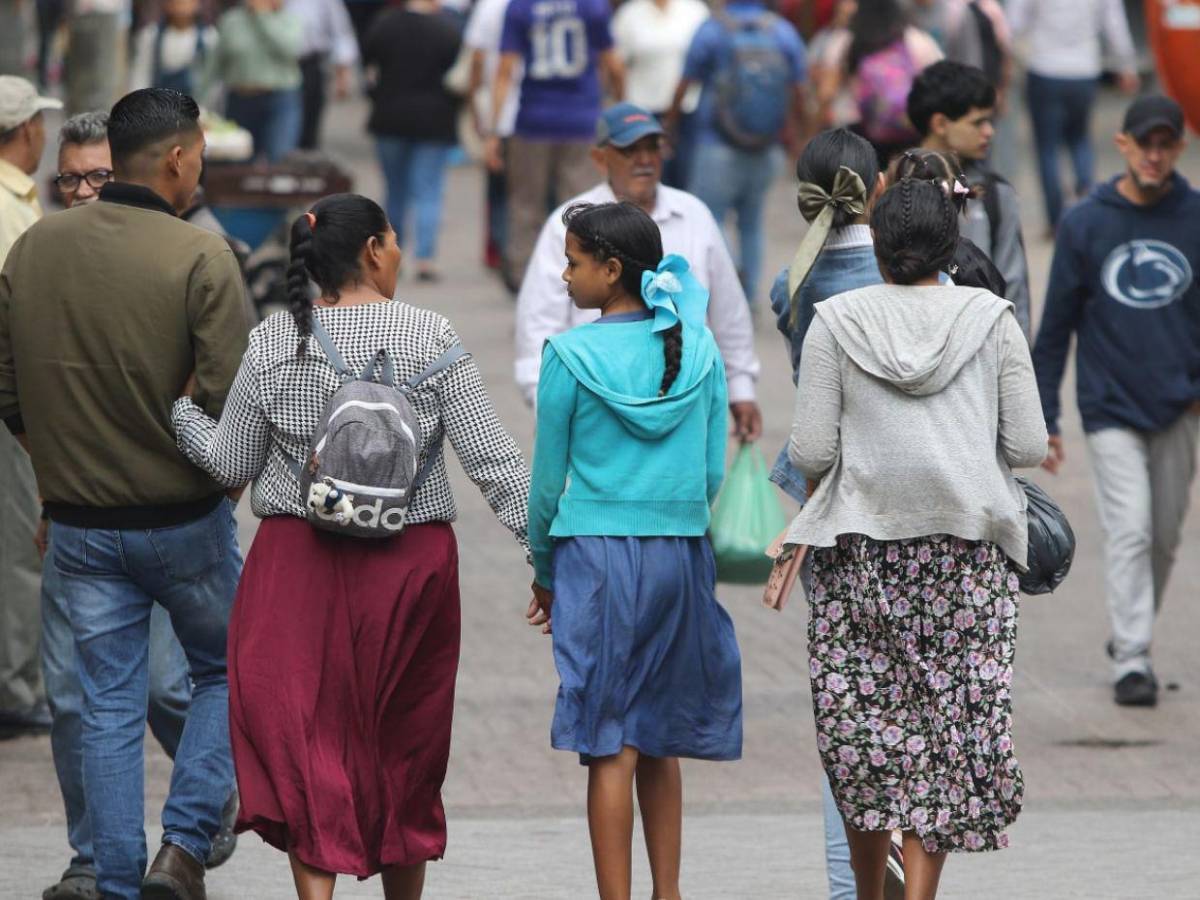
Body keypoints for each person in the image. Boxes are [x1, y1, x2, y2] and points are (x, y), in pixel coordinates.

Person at [171, 192, 532, 899]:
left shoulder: (275, 340)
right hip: (410, 567)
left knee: (307, 740)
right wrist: (545, 556)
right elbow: (495, 462)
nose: (397, 252)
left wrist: (181, 413)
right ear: (372, 250)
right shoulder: (430, 334)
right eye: (393, 240)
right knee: (405, 740)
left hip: (296, 566)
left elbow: (230, 462)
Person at [0, 88, 247, 900]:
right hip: (182, 519)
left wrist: (57, 470)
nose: (198, 170)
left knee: (103, 705)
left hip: (77, 522)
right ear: (176, 159)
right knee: (230, 670)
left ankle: (112, 880)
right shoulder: (201, 256)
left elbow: (8, 392)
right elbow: (231, 400)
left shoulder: (33, 250)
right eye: (199, 157)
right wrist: (221, 479)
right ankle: (183, 847)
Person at [786, 177, 1045, 899]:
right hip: (968, 557)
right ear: (951, 245)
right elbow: (1028, 445)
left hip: (861, 554)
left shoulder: (835, 320)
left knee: (862, 738)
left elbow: (811, 451)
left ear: (877, 244)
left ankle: (871, 892)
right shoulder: (992, 319)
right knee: (948, 735)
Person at [527, 200, 742, 900]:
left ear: (612, 269)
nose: (564, 276)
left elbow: (546, 486)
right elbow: (710, 473)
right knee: (660, 734)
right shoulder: (698, 348)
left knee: (608, 741)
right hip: (679, 556)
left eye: (573, 262)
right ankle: (668, 892)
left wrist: (544, 571)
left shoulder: (568, 356)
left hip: (594, 559)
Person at [766, 127, 908, 900]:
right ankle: (905, 861)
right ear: (878, 187)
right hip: (910, 505)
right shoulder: (911, 278)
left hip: (829, 510)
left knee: (845, 708)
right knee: (912, 696)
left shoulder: (794, 284)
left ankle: (848, 885)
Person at [1032, 95, 1200, 708]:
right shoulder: (1086, 223)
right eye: (1144, 143)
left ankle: (1133, 631)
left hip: (1180, 407)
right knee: (1130, 529)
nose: (1154, 155)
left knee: (1163, 536)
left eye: (1165, 144)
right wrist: (1045, 417)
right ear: (1122, 144)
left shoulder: (1195, 218)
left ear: (1180, 147)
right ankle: (1133, 657)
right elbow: (1055, 327)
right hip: (1109, 408)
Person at [514, 103, 762, 441]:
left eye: (652, 148)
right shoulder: (569, 226)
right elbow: (539, 323)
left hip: (685, 403)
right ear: (600, 158)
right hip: (595, 406)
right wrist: (548, 405)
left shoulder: (694, 215)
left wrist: (741, 387)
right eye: (629, 150)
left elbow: (728, 311)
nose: (644, 160)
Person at [668, 0, 809, 305]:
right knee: (751, 222)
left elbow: (685, 81)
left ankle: (728, 285)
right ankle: (749, 296)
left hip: (715, 143)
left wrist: (670, 125)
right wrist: (800, 138)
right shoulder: (783, 32)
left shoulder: (712, 29)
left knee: (712, 217)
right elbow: (799, 90)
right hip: (765, 145)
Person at [484, 0, 625, 287]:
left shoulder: (521, 6)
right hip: (582, 120)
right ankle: (583, 276)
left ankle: (525, 280)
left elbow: (505, 71)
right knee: (582, 207)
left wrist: (494, 131)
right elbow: (614, 65)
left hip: (533, 120)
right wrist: (620, 108)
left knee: (525, 206)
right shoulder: (592, 5)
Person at [0, 74, 60, 743]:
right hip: (10, 401)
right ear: (28, 130)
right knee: (19, 541)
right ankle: (16, 688)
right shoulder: (12, 210)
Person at [907, 60, 1030, 336]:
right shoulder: (893, 187)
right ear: (940, 123)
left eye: (990, 121)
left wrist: (1018, 352)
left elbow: (1013, 287)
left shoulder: (995, 194)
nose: (989, 131)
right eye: (978, 122)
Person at [1006, 0, 1139, 232]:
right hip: (1084, 70)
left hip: (1044, 68)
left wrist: (1008, 58)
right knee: (1080, 140)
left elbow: (1013, 23)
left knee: (1047, 148)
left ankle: (1056, 219)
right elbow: (1114, 23)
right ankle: (1087, 210)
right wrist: (1126, 65)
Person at [365, 0, 462, 283]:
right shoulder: (447, 30)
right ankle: (425, 258)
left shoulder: (385, 25)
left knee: (395, 190)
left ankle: (391, 253)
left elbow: (368, 64)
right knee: (428, 190)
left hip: (390, 115)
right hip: (435, 118)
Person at [814, 0, 942, 165]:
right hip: (907, 132)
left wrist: (815, 132)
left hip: (855, 133)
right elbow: (938, 86)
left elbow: (826, 93)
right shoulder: (917, 40)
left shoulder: (845, 39)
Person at [611, 0, 709, 188]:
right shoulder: (630, 14)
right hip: (643, 113)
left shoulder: (696, 11)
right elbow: (616, 64)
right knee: (645, 183)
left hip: (687, 111)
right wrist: (623, 106)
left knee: (686, 179)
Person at [463, 0, 522, 278]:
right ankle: (517, 252)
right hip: (529, 116)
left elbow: (477, 59)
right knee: (527, 194)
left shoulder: (489, 7)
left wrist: (475, 104)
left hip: (503, 114)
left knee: (500, 191)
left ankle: (504, 251)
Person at [212, 0, 304, 162]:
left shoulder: (289, 19)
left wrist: (262, 16)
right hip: (240, 100)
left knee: (279, 158)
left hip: (279, 100)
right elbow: (214, 65)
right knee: (237, 162)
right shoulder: (231, 21)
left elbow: (290, 49)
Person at [288, 0, 358, 151]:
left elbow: (341, 33)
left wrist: (342, 75)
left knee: (308, 128)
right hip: (275, 67)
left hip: (309, 64)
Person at [130, 0, 218, 99]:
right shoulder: (151, 35)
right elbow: (141, 72)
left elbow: (212, 79)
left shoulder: (208, 38)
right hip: (159, 102)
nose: (181, 4)